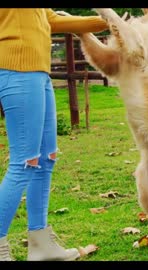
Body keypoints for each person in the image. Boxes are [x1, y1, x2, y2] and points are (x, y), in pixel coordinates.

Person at [0, 8, 108, 261]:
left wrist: (105, 21)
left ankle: (40, 244)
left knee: (46, 159)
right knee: (24, 162)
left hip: (38, 74)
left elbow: (50, 18)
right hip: (16, 72)